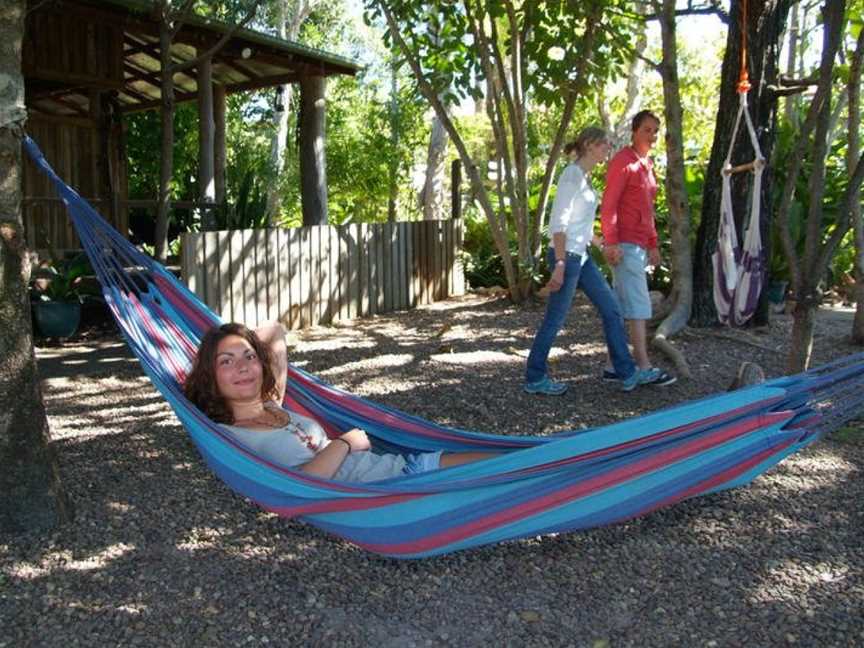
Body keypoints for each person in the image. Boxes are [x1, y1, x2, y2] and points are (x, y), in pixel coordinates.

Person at [184, 322, 495, 482]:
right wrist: (346, 442)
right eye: (226, 361)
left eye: (248, 357)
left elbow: (273, 329)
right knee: (501, 478)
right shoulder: (228, 435)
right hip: (392, 490)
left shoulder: (272, 403)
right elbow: (304, 483)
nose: (241, 367)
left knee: (506, 466)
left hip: (400, 468)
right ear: (211, 377)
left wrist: (241, 340)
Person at [524, 127, 658, 396]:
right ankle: (535, 377)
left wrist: (604, 245)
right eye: (604, 144)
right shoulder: (571, 176)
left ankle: (627, 372)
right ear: (588, 145)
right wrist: (560, 264)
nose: (608, 148)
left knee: (612, 310)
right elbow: (558, 225)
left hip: (581, 257)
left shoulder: (584, 178)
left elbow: (580, 228)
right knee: (555, 319)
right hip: (568, 258)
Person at [599, 110, 676, 386]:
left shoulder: (647, 164)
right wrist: (611, 241)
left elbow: (647, 209)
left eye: (655, 130)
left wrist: (653, 243)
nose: (652, 135)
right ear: (634, 131)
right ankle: (643, 365)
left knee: (621, 306)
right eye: (647, 129)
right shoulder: (623, 162)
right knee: (639, 306)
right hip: (624, 245)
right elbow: (609, 205)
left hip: (639, 245)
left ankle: (613, 365)